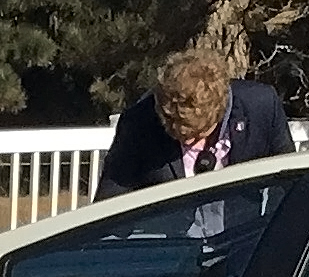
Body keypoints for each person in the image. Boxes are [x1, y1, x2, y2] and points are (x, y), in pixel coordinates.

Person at [96, 50, 289, 198]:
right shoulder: (138, 122)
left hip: (244, 239)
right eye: (174, 132)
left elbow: (289, 184)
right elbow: (109, 202)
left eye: (196, 135)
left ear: (219, 111)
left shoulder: (262, 106)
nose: (189, 143)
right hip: (172, 243)